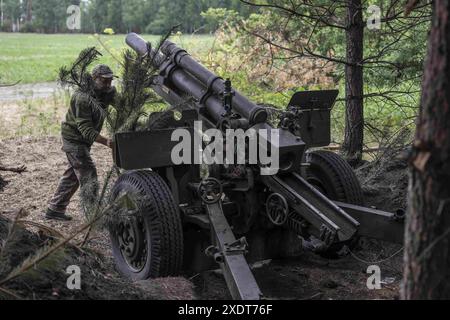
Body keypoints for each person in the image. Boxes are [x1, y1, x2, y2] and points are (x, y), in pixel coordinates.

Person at [45, 64, 117, 221]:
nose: (108, 84)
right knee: (88, 174)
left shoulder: (108, 91)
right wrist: (108, 142)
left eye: (110, 80)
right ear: (94, 79)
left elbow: (123, 106)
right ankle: (93, 215)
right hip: (73, 139)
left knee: (72, 175)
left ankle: (54, 209)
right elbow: (86, 130)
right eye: (104, 81)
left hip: (83, 141)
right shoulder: (82, 97)